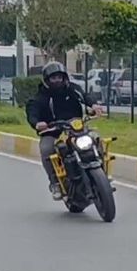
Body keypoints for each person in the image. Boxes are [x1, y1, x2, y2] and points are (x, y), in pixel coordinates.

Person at [26, 62, 101, 201]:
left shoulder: (73, 89)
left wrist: (94, 105)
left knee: (96, 138)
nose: (57, 80)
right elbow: (32, 111)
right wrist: (37, 123)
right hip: (53, 131)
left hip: (76, 128)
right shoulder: (41, 97)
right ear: (47, 80)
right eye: (53, 78)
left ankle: (101, 170)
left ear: (64, 77)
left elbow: (85, 96)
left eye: (60, 77)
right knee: (46, 149)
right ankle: (55, 183)